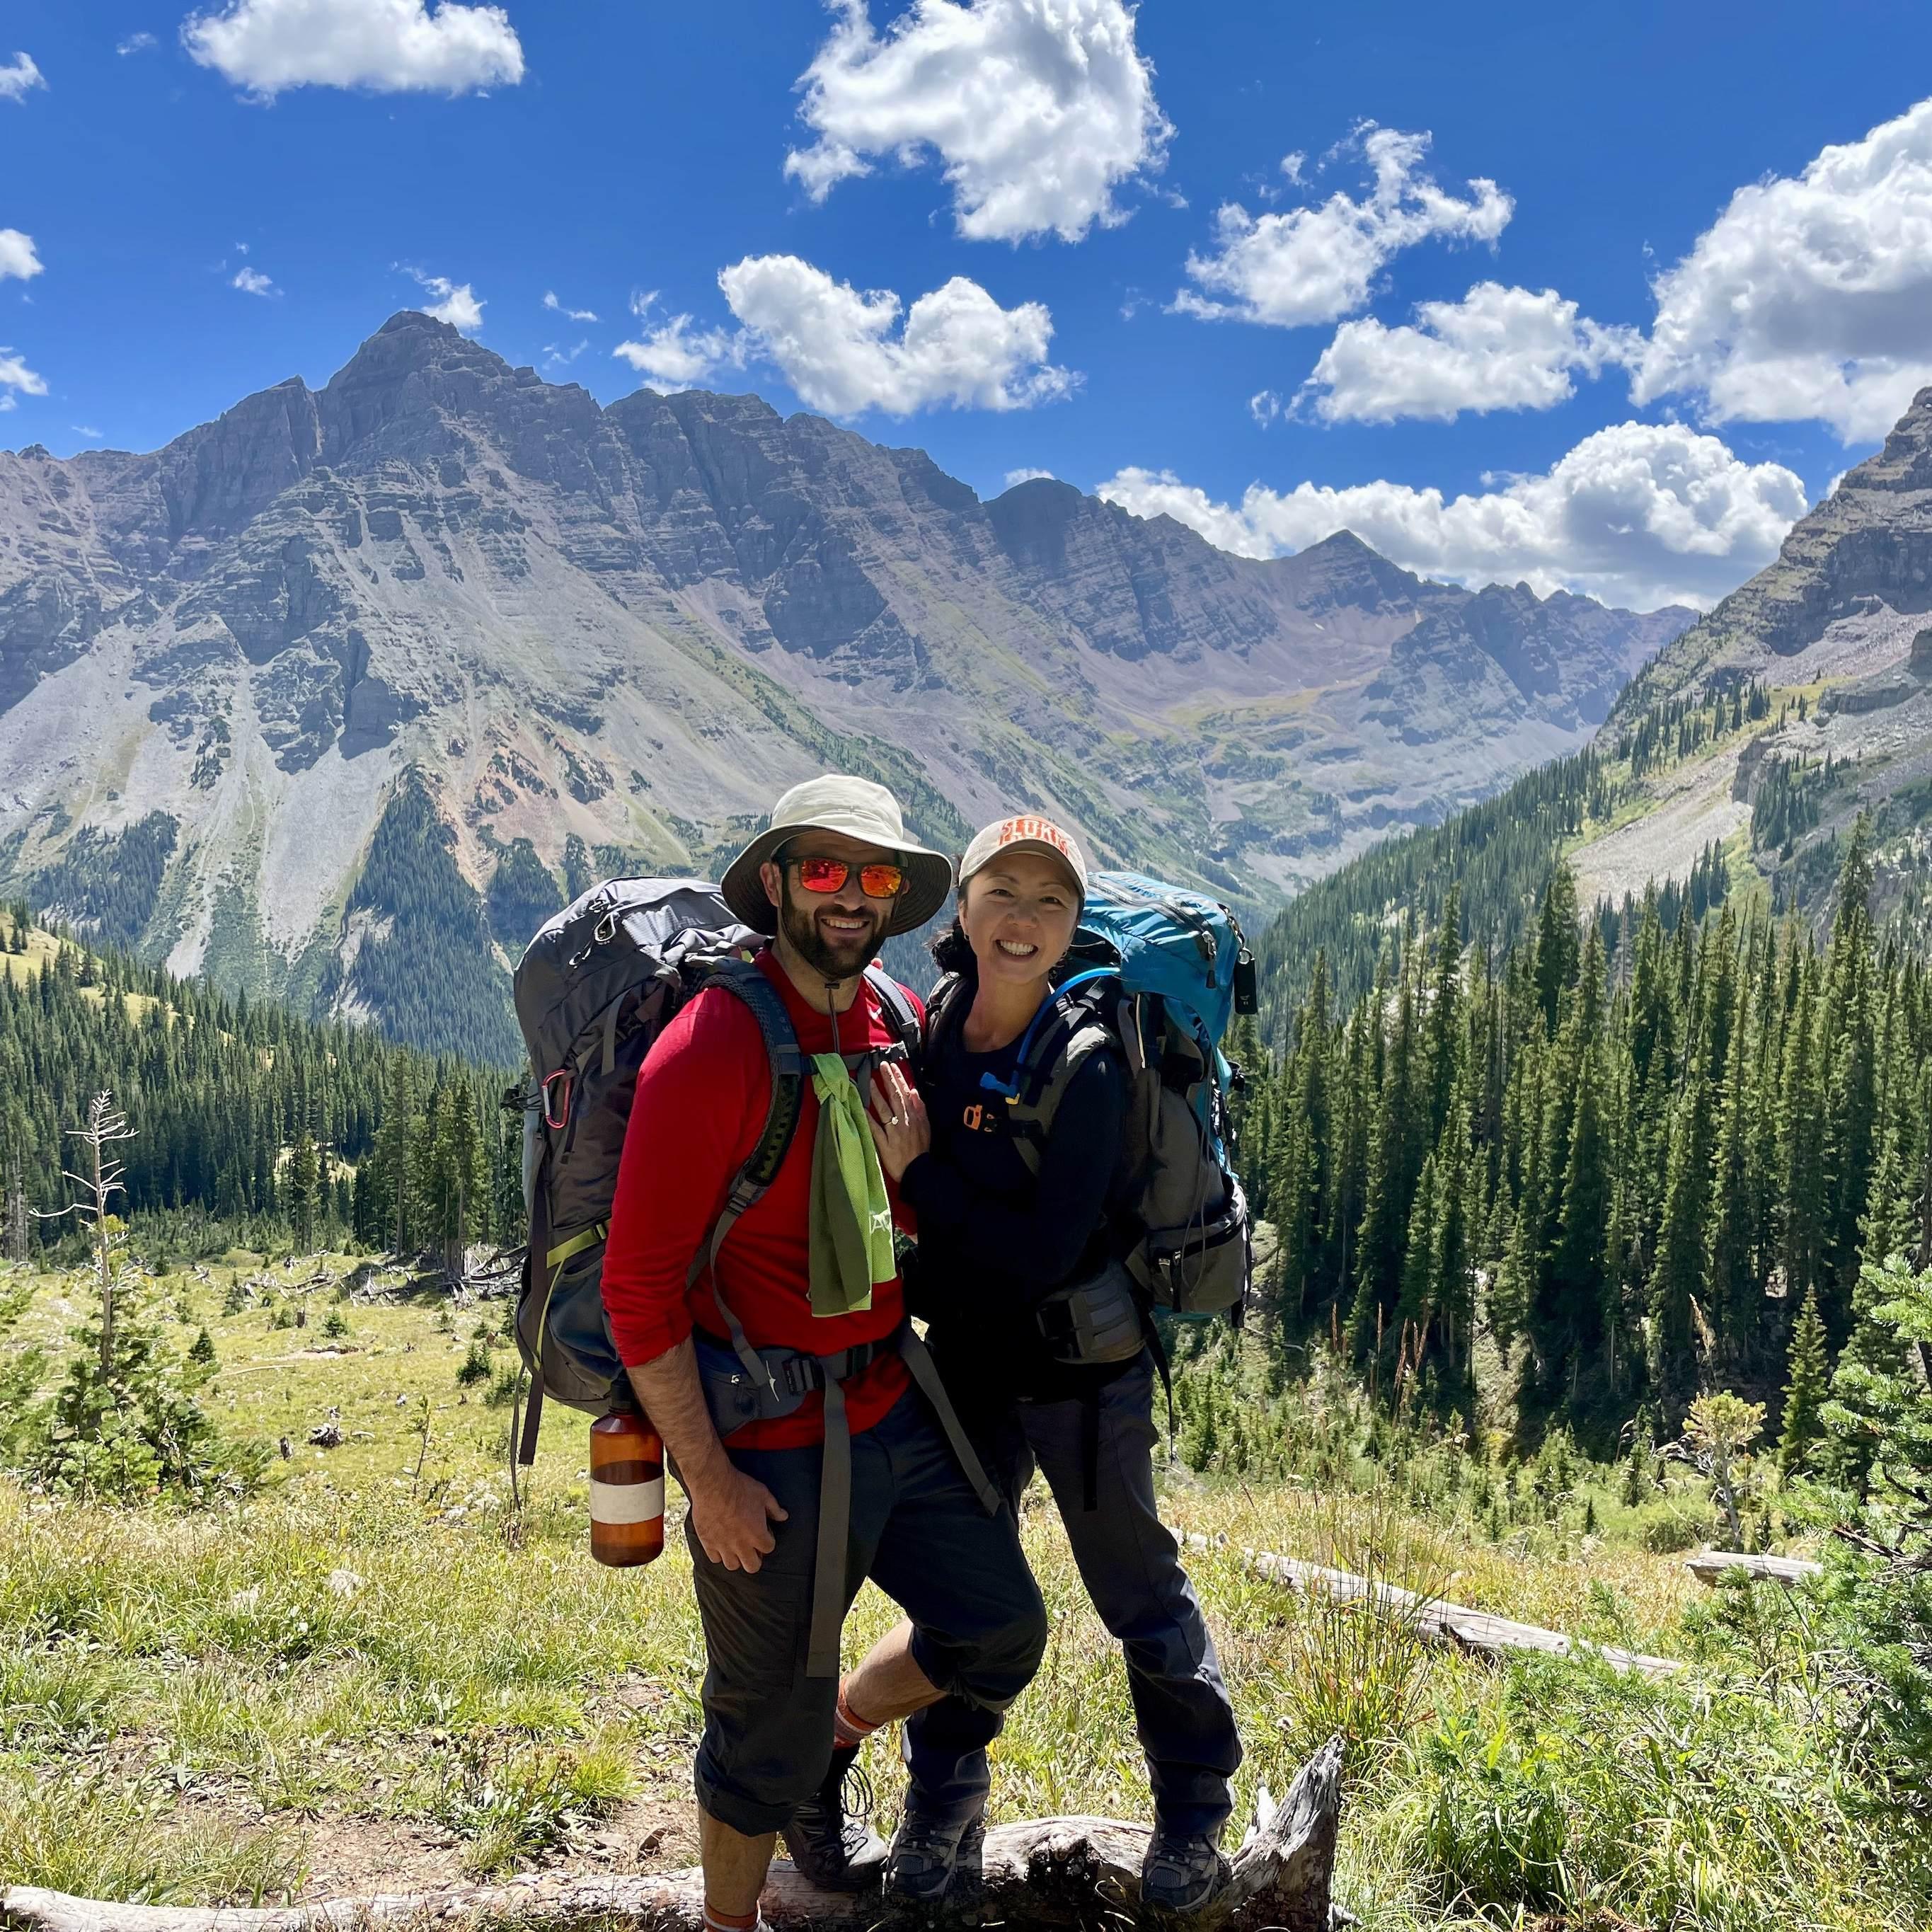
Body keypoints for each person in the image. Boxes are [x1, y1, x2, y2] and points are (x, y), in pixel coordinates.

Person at [600, 776, 1048, 1932]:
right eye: (826, 869)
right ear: (780, 883)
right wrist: (709, 1482)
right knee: (760, 1724)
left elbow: (903, 1230)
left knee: (997, 1627)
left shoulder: (890, 1018)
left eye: (877, 874)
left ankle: (840, 1735)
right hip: (765, 1431)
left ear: (898, 897)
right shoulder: (709, 1047)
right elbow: (636, 1291)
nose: (852, 895)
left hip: (890, 1400)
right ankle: (730, 1921)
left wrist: (913, 1184)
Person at [865, 812, 1244, 1915]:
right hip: (970, 1363)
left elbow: (1038, 1252)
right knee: (964, 1597)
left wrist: (925, 1180)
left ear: (1073, 921)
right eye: (1002, 893)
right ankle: (941, 1803)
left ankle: (1191, 1816)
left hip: (1083, 1373)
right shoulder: (937, 1027)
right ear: (963, 908)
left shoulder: (1088, 1063)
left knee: (1137, 1595)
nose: (1021, 919)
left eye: (1048, 900)